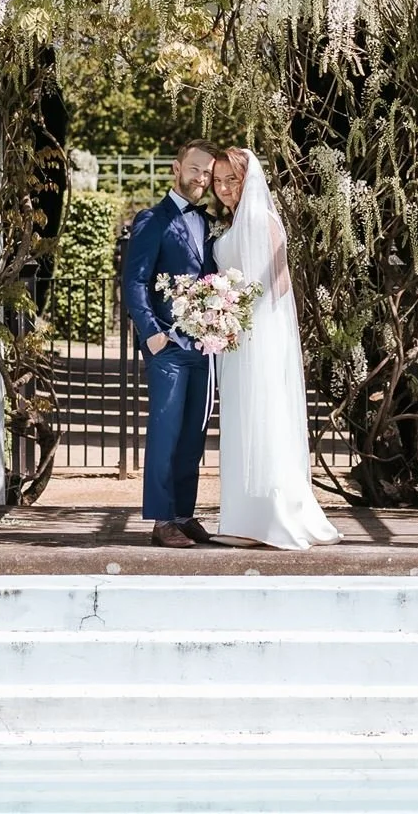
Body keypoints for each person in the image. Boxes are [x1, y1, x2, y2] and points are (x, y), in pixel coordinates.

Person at [209, 147, 340, 550]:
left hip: (256, 335)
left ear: (248, 180)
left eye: (232, 179)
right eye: (218, 181)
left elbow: (279, 283)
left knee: (262, 419)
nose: (224, 188)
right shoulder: (232, 223)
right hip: (234, 338)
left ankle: (269, 519)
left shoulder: (262, 220)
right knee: (241, 421)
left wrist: (240, 312)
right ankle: (245, 517)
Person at [122, 138, 221, 548]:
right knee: (165, 432)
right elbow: (134, 281)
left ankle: (183, 514)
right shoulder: (152, 219)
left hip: (204, 345)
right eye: (195, 168)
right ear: (176, 168)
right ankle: (162, 520)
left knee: (194, 434)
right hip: (168, 345)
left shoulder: (210, 222)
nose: (201, 178)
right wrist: (153, 335)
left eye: (207, 173)